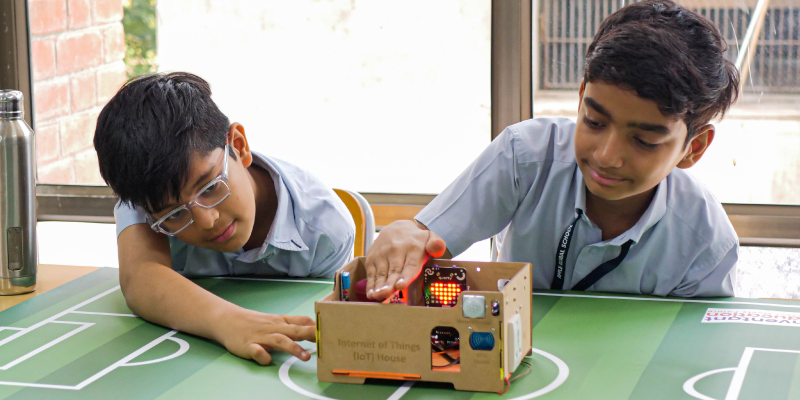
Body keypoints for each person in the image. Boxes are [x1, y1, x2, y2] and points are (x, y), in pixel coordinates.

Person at [364, 0, 740, 300]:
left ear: (693, 148)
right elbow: (426, 240)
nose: (607, 155)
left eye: (644, 141)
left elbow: (693, 357)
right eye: (594, 122)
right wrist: (406, 236)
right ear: (580, 100)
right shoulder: (524, 155)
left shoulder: (706, 244)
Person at [93, 72, 355, 365]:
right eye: (176, 214)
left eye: (210, 186)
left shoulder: (325, 229)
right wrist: (230, 322)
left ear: (239, 146)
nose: (206, 221)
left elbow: (332, 323)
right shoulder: (150, 194)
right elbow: (140, 278)